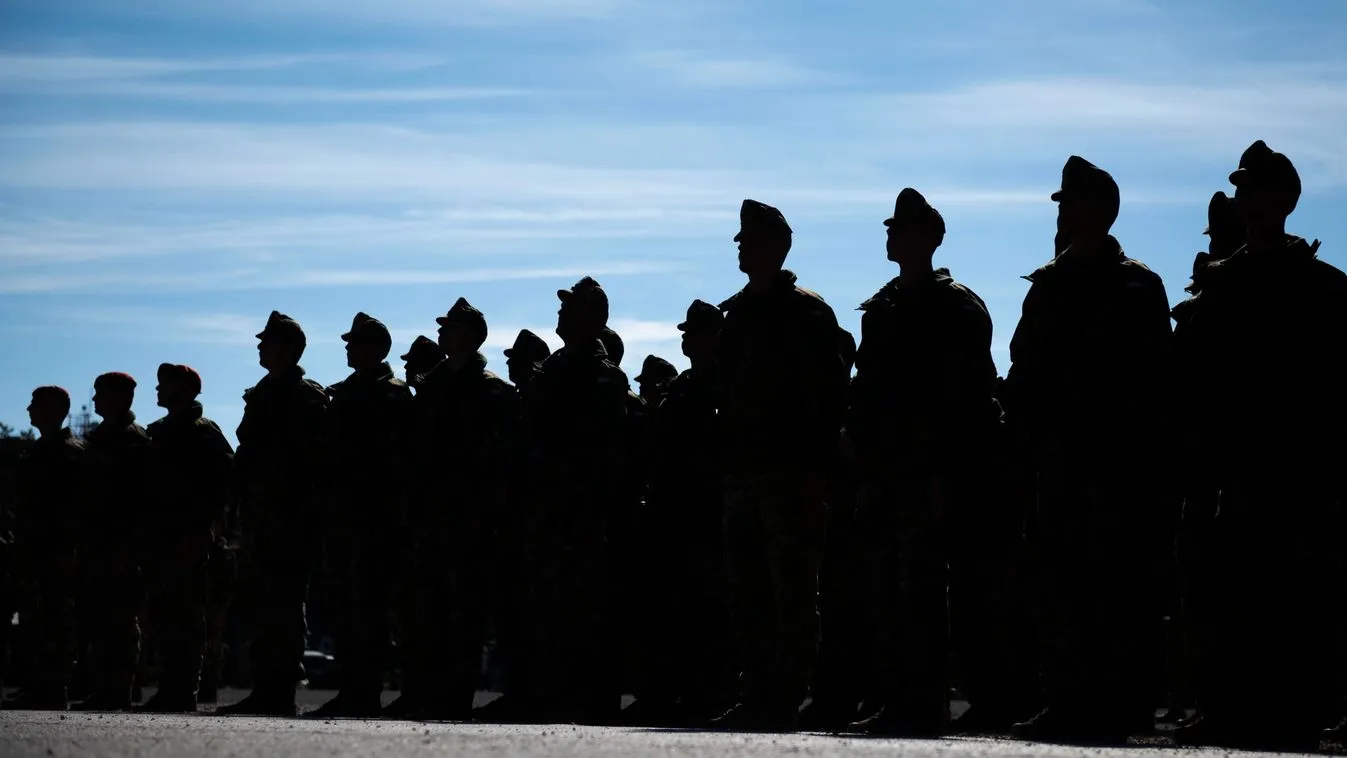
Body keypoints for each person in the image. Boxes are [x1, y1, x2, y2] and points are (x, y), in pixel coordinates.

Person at [1174, 141, 1347, 752]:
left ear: (1285, 200)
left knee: (1292, 593)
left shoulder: (1324, 288)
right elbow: (1191, 384)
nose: (1245, 199)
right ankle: (1225, 707)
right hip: (1228, 464)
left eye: (1256, 188)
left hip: (1297, 467)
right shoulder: (1220, 286)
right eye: (1242, 189)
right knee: (1225, 592)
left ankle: (1292, 715)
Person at [1001, 157, 1172, 744]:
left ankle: (1119, 708)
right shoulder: (1051, 282)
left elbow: (1154, 381)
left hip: (1118, 464)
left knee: (1116, 587)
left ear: (1098, 209)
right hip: (1060, 461)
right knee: (1058, 585)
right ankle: (1066, 701)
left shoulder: (1135, 283)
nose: (1063, 212)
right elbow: (1024, 369)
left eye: (1071, 202)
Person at [846, 189, 1002, 736]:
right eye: (892, 229)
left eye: (905, 229)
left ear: (930, 238)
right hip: (886, 472)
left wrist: (949, 476)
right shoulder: (884, 308)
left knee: (927, 593)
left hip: (932, 471)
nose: (894, 237)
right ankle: (898, 700)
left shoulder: (956, 307)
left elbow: (968, 399)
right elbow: (866, 396)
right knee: (887, 592)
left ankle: (927, 704)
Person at [713, 199, 847, 731]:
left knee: (791, 589)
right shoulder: (740, 313)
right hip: (746, 472)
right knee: (748, 592)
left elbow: (828, 396)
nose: (742, 248)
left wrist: (817, 469)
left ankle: (786, 697)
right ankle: (757, 694)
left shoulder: (806, 312)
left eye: (751, 240)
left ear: (775, 246)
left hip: (791, 473)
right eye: (742, 241)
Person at [401, 298, 518, 721]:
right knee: (427, 611)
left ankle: (455, 698)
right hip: (430, 516)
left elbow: (501, 462)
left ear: (468, 335)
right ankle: (428, 694)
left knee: (463, 612)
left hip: (469, 519)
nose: (441, 333)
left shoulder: (494, 392)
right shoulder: (431, 387)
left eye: (449, 327)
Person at [523, 277, 629, 724]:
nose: (561, 314)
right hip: (549, 508)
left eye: (571, 308)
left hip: (584, 511)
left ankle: (592, 701)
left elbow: (608, 453)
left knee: (588, 608)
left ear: (591, 318)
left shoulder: (604, 376)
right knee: (551, 606)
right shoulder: (553, 368)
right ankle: (555, 694)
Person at [625, 301, 734, 726]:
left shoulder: (727, 383)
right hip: (673, 512)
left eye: (695, 331)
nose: (686, 338)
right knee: (672, 610)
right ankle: (669, 693)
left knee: (709, 610)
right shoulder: (685, 385)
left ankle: (709, 696)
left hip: (707, 510)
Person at [219, 311, 328, 717]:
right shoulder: (262, 394)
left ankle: (279, 691)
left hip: (290, 518)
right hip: (261, 517)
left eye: (268, 341)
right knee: (263, 606)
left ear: (288, 348)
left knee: (283, 605)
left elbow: (316, 464)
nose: (260, 347)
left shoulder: (306, 397)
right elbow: (246, 458)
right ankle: (265, 687)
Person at [309, 313, 414, 719]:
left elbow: (398, 463)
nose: (348, 347)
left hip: (377, 520)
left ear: (376, 348)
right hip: (345, 518)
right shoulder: (347, 393)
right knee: (343, 609)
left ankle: (365, 691)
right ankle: (351, 689)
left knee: (370, 610)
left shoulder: (391, 395)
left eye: (356, 342)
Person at [141, 364, 234, 713]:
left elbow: (220, 487)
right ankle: (170, 686)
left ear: (186, 390)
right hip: (160, 538)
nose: (159, 389)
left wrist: (202, 530)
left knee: (187, 616)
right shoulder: (159, 432)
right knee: (166, 615)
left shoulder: (203, 433)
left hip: (188, 537)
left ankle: (183, 690)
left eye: (166, 384)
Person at [76, 372, 152, 711]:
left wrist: (133, 541)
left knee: (121, 619)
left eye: (100, 394)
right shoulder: (99, 440)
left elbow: (142, 498)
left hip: (124, 544)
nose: (94, 401)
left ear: (120, 398)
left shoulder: (135, 442)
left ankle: (119, 688)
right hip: (98, 542)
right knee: (101, 618)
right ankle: (105, 686)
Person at [9, 387, 86, 710]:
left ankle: (54, 688)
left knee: (55, 620)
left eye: (35, 404)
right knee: (33, 620)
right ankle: (38, 685)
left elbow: (76, 507)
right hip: (33, 549)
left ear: (54, 410)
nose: (28, 409)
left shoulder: (70, 452)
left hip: (57, 551)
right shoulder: (39, 451)